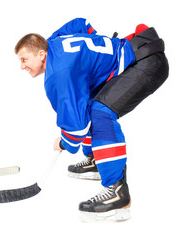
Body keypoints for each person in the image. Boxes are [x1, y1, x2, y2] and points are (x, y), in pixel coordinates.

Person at [14, 18, 168, 222]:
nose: (22, 66)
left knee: (100, 111)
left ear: (41, 55)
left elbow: (76, 130)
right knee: (90, 101)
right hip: (140, 47)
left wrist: (64, 142)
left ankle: (117, 192)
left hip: (146, 62)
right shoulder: (53, 40)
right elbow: (80, 23)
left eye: (24, 60)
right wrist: (96, 54)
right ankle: (97, 160)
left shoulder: (58, 74)